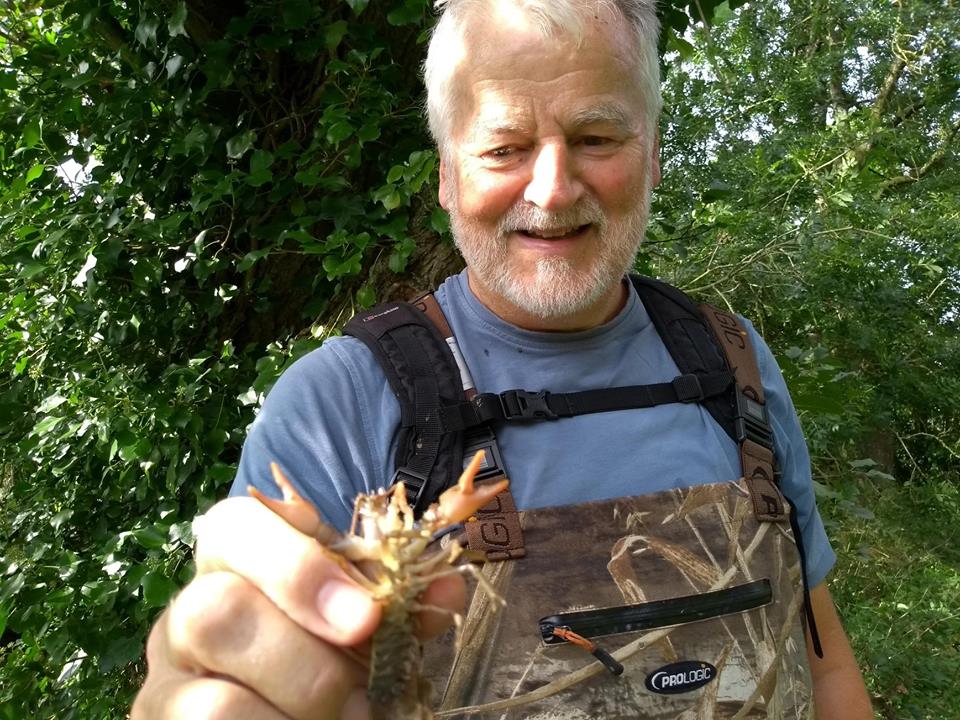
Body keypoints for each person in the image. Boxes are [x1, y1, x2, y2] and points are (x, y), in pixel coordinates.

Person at [133, 1, 874, 718]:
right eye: (503, 148)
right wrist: (213, 677)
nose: (551, 191)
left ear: (651, 156)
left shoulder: (731, 359)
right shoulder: (339, 405)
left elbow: (822, 659)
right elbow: (250, 661)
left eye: (595, 138)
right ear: (447, 174)